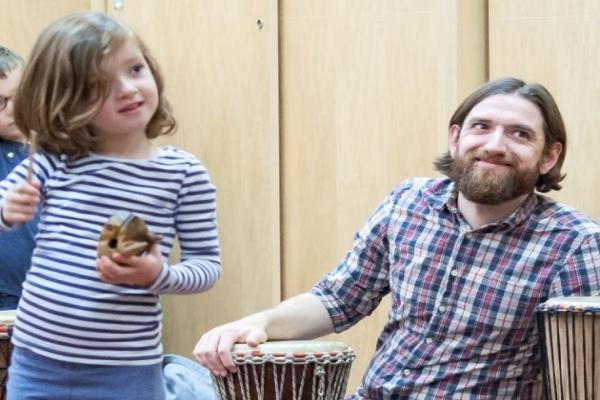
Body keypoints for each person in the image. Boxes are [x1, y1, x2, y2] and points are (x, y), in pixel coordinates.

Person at [194, 77, 600, 398]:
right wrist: (257, 322)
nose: (494, 145)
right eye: (481, 127)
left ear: (549, 156)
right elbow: (339, 299)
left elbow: (580, 383)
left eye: (519, 134)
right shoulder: (408, 202)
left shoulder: (574, 244)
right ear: (456, 136)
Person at [0, 12, 221, 400]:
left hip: (127, 371)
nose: (127, 88)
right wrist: (7, 209)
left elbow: (207, 266)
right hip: (37, 363)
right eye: (98, 85)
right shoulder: (53, 160)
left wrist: (159, 275)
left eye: (135, 69)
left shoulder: (183, 174)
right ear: (67, 100)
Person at [0, 46, 38, 311]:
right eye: (0, 102)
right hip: (7, 303)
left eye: (20, 95)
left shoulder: (67, 146)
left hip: (68, 298)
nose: (13, 109)